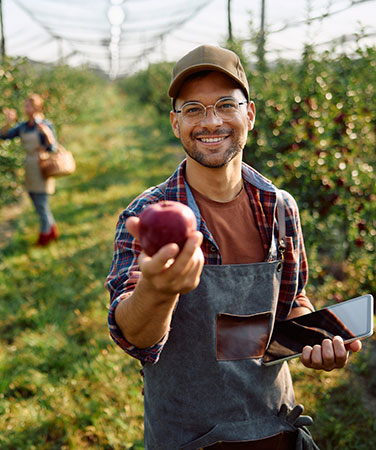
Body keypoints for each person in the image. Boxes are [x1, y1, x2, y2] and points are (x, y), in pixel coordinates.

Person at [105, 44, 362, 449]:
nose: (211, 122)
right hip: (189, 436)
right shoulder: (148, 215)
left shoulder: (279, 208)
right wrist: (158, 289)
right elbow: (136, 338)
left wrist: (316, 336)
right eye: (193, 109)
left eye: (226, 105)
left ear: (250, 115)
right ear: (175, 123)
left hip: (273, 422)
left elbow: (292, 301)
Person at [0, 94, 59, 246]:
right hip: (29, 166)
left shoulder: (44, 125)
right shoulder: (23, 126)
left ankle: (44, 237)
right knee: (36, 200)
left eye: (28, 106)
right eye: (25, 105)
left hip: (42, 165)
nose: (25, 109)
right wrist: (8, 123)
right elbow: (4, 136)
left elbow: (53, 148)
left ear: (36, 107)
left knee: (41, 202)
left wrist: (47, 135)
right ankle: (52, 231)